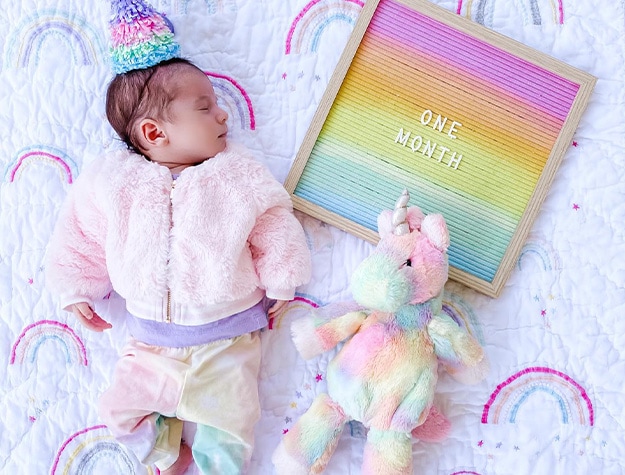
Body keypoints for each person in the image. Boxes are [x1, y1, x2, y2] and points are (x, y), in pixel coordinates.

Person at [45, 1, 311, 474]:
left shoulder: (236, 173)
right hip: (149, 344)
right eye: (205, 107)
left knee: (230, 435)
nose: (223, 116)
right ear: (153, 132)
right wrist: (76, 289)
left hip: (228, 341)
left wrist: (282, 278)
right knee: (120, 415)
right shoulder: (111, 181)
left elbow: (273, 219)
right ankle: (166, 453)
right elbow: (80, 232)